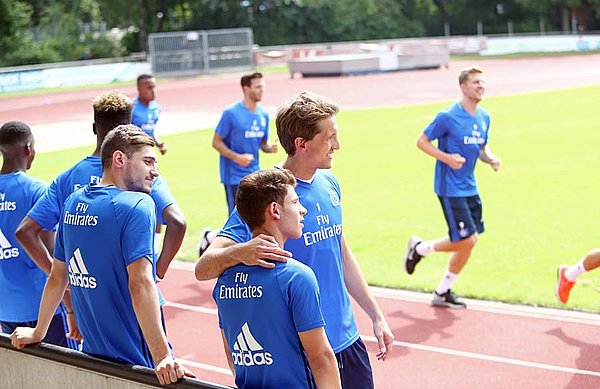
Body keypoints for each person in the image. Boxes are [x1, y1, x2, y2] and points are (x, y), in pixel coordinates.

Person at [197, 91, 394, 389]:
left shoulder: (330, 183)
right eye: (329, 138)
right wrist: (242, 251)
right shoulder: (268, 194)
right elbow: (204, 268)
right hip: (305, 349)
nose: (337, 146)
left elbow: (340, 252)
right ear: (301, 144)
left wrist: (376, 315)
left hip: (348, 340)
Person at [11, 126, 194, 385]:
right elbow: (140, 283)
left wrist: (39, 331)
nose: (155, 171)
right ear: (119, 159)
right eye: (148, 161)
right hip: (137, 362)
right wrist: (163, 356)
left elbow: (57, 277)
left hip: (94, 360)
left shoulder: (73, 202)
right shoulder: (139, 205)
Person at [16, 90, 185, 284]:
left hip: (87, 296)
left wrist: (59, 278)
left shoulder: (67, 178)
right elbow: (177, 222)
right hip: (134, 291)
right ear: (129, 128)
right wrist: (157, 273)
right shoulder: (141, 173)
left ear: (95, 128)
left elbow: (26, 231)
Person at [215, 168, 340, 388]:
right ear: (275, 210)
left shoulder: (224, 281)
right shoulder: (296, 277)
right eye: (295, 202)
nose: (302, 211)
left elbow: (231, 353)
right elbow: (321, 359)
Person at [403, 66, 501, 309]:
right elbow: (421, 141)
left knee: (471, 239)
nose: (481, 85)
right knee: (467, 239)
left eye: (482, 81)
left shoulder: (484, 116)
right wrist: (447, 158)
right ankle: (420, 249)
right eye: (476, 82)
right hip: (450, 188)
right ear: (464, 87)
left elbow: (480, 149)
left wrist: (491, 159)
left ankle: (442, 290)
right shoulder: (447, 116)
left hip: (470, 187)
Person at [0, 121, 79, 349]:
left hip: (6, 308)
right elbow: (56, 257)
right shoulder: (38, 191)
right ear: (28, 149)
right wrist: (71, 305)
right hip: (45, 308)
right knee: (67, 375)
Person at [212, 72, 278, 214]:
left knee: (256, 216)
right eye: (258, 87)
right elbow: (216, 142)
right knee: (237, 218)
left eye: (263, 86)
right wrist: (237, 157)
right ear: (246, 89)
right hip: (234, 176)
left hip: (255, 175)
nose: (262, 90)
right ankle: (210, 236)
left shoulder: (263, 114)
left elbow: (262, 143)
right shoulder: (231, 113)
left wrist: (269, 147)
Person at [132, 74, 167, 155]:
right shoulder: (130, 108)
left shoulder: (156, 108)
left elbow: (150, 131)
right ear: (139, 88)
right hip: (133, 154)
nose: (153, 91)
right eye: (149, 88)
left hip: (148, 153)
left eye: (154, 87)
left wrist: (159, 144)